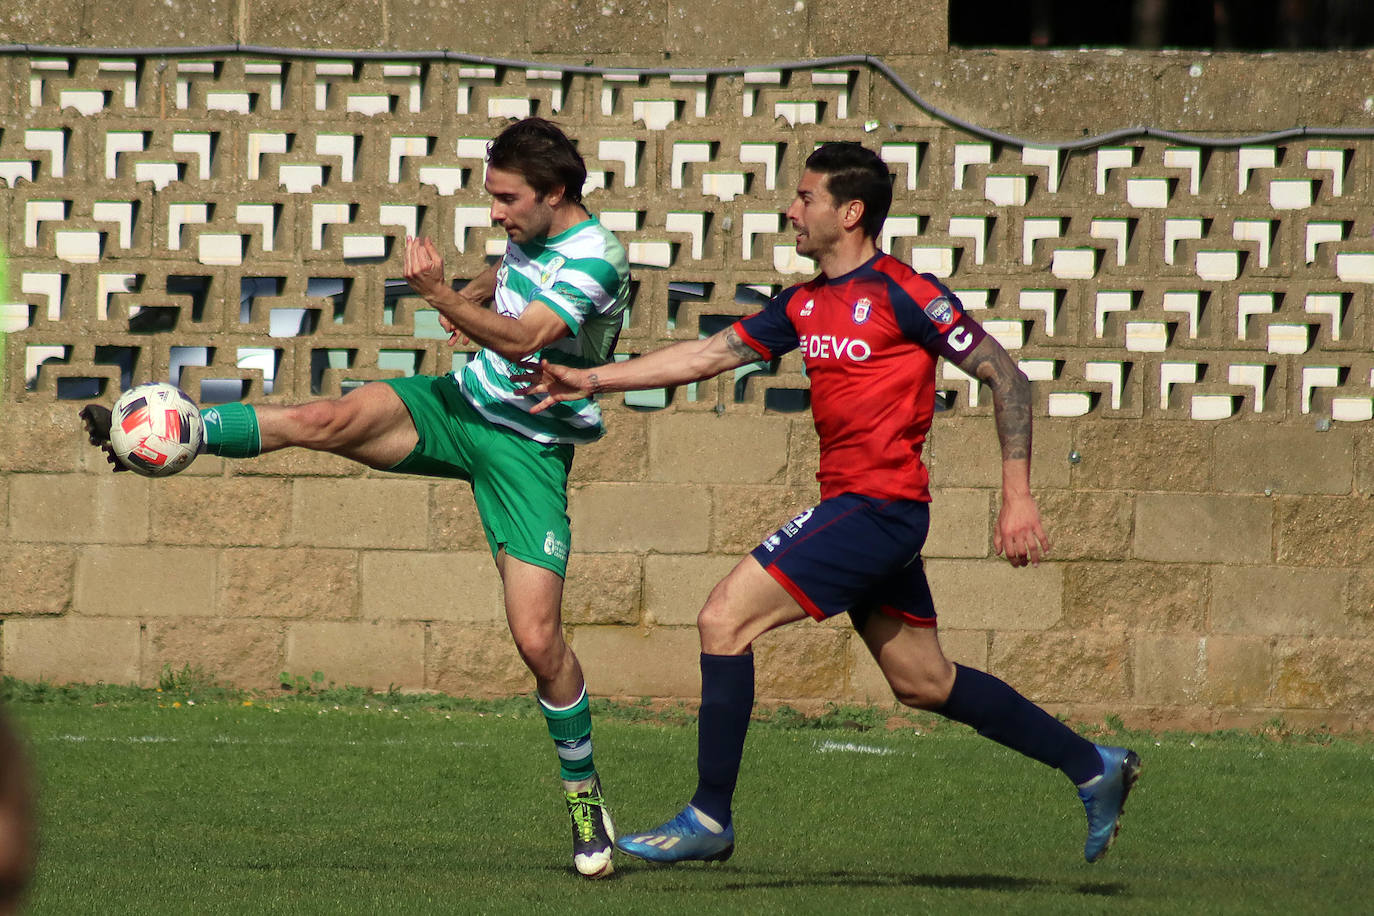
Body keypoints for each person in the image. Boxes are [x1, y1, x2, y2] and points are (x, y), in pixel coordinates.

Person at [517, 142, 1141, 865]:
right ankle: (1095, 767)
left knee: (724, 618)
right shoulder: (804, 303)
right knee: (923, 681)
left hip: (879, 510)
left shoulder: (906, 290)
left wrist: (1018, 498)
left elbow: (1007, 376)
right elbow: (707, 356)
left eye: (805, 197)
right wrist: (592, 381)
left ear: (850, 212)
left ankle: (710, 816)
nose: (791, 209)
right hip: (861, 511)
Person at [80, 117, 631, 879]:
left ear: (556, 193)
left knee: (538, 642)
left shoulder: (598, 257)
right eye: (493, 198)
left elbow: (527, 336)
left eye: (506, 200)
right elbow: (507, 286)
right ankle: (169, 430)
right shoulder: (531, 233)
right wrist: (468, 292)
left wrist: (441, 292)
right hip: (458, 404)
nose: (496, 213)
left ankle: (584, 797)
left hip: (528, 450)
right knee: (325, 418)